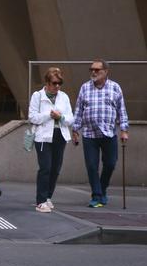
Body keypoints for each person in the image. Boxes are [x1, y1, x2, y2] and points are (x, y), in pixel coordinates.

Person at [72, 60, 129, 207]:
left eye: (97, 70)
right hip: (89, 134)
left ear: (106, 72)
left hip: (109, 133)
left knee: (110, 164)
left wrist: (124, 130)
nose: (93, 72)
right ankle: (97, 196)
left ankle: (102, 189)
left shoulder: (115, 87)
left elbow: (121, 111)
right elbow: (78, 111)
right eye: (91, 69)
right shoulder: (85, 88)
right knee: (91, 166)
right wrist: (75, 130)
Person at [28, 67, 74, 213]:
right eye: (54, 83)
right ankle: (40, 201)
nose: (57, 86)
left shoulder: (64, 97)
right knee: (45, 168)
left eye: (59, 83)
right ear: (47, 82)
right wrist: (49, 115)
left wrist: (60, 117)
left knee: (55, 169)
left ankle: (48, 197)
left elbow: (71, 119)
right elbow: (32, 117)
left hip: (60, 135)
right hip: (42, 137)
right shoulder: (37, 96)